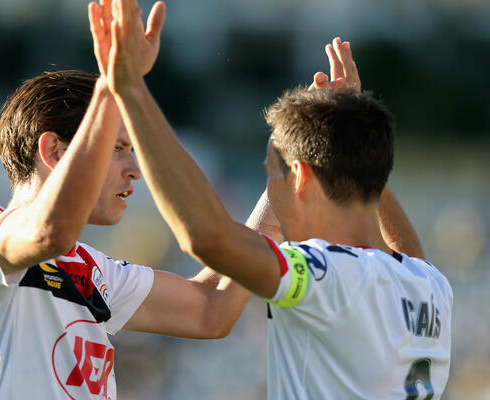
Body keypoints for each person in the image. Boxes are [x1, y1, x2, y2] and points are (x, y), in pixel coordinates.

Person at [99, 0, 453, 398]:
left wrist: (131, 90)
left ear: (300, 176)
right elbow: (404, 245)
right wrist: (348, 125)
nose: (270, 195)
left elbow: (206, 237)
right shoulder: (431, 283)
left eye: (271, 176)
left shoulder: (326, 274)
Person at [0, 3, 256, 399]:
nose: (134, 169)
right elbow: (49, 231)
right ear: (52, 150)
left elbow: (211, 309)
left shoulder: (87, 267)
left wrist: (284, 185)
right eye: (118, 147)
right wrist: (113, 86)